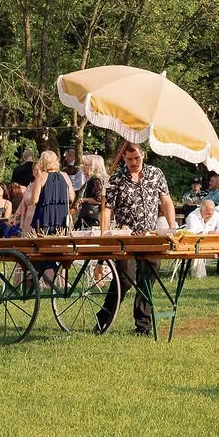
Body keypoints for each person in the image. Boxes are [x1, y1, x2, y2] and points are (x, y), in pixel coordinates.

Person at [96, 140, 177, 335]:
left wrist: (172, 226)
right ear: (123, 158)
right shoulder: (116, 178)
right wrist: (105, 234)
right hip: (126, 237)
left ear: (143, 155)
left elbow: (165, 200)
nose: (133, 162)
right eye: (129, 159)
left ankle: (143, 325)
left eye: (137, 158)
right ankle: (103, 318)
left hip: (150, 236)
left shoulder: (155, 174)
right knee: (124, 279)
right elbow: (107, 209)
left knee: (148, 278)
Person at [16, 149, 73, 235]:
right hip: (62, 215)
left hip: (45, 215)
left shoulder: (41, 177)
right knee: (61, 241)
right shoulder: (65, 175)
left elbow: (34, 200)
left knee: (43, 242)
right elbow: (71, 197)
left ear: (43, 162)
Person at [74, 153, 107, 229]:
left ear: (93, 166)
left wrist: (83, 200)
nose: (83, 167)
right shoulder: (101, 179)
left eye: (86, 165)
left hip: (92, 218)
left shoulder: (96, 179)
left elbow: (100, 199)